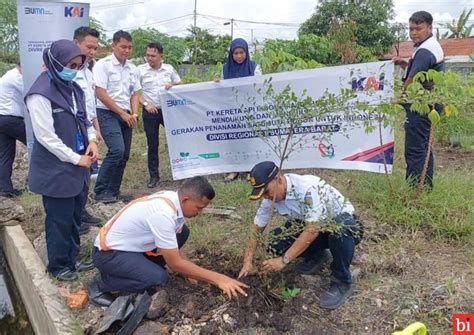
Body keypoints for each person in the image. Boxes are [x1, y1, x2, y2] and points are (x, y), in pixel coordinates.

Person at [87, 176, 248, 307]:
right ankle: (100, 285)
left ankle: (135, 269)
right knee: (157, 278)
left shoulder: (174, 200)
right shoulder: (163, 213)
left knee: (182, 233)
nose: (199, 212)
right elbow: (175, 264)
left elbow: (176, 246)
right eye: (199, 208)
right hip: (109, 254)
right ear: (185, 200)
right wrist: (219, 279)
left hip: (132, 248)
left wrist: (189, 271)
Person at [239, 161, 361, 310]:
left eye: (266, 191)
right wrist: (248, 261)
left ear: (278, 179)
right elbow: (256, 229)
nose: (266, 197)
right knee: (273, 241)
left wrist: (284, 260)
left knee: (341, 229)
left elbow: (312, 229)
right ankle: (317, 256)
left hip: (343, 225)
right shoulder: (269, 198)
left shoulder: (307, 189)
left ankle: (342, 281)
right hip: (314, 228)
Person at [25, 40, 99, 281]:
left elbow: (84, 118)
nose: (75, 70)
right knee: (59, 219)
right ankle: (58, 266)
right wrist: (76, 159)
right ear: (55, 63)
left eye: (79, 65)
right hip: (56, 169)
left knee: (75, 215)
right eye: (71, 65)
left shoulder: (73, 87)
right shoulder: (40, 93)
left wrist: (92, 141)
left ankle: (72, 259)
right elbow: (46, 137)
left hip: (78, 165)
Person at [392, 11, 444, 189]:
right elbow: (423, 71)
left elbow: (412, 79)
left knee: (415, 150)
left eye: (418, 28)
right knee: (423, 148)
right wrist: (405, 63)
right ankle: (424, 186)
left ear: (429, 27)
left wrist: (399, 100)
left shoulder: (424, 50)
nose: (413, 32)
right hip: (429, 104)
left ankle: (415, 189)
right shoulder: (428, 46)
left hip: (421, 106)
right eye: (411, 28)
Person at [93, 30, 141, 203]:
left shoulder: (133, 68)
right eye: (123, 47)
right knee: (116, 150)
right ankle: (100, 191)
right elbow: (100, 93)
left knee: (125, 154)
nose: (126, 51)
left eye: (129, 47)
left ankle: (113, 191)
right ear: (113, 46)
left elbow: (135, 93)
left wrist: (134, 113)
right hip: (107, 113)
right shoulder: (103, 65)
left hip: (126, 114)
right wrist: (121, 113)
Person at [137, 42, 182, 189]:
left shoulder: (169, 69)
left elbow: (181, 85)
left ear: (161, 56)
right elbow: (135, 92)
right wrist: (145, 104)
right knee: (152, 144)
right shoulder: (140, 71)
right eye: (148, 55)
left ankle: (182, 172)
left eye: (153, 55)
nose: (150, 58)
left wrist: (173, 86)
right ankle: (154, 176)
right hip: (150, 111)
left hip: (168, 111)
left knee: (177, 140)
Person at [73, 26, 103, 228]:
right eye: (89, 47)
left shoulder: (88, 71)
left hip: (87, 128)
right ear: (76, 43)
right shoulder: (68, 71)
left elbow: (90, 105)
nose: (92, 52)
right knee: (75, 172)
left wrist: (96, 129)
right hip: (73, 129)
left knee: (86, 174)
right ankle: (74, 217)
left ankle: (81, 211)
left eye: (95, 48)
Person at [221, 38, 262, 182]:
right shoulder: (225, 69)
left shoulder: (254, 67)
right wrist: (216, 84)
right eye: (235, 53)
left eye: (241, 52)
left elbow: (259, 87)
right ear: (231, 54)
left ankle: (251, 169)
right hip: (232, 110)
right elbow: (222, 89)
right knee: (233, 139)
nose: (239, 56)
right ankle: (234, 170)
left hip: (249, 110)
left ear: (246, 52)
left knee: (249, 140)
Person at [0, 64, 26, 198]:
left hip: (3, 119)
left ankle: (5, 189)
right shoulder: (15, 77)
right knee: (37, 143)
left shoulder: (9, 75)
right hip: (10, 119)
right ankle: (32, 182)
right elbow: (29, 92)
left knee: (5, 155)